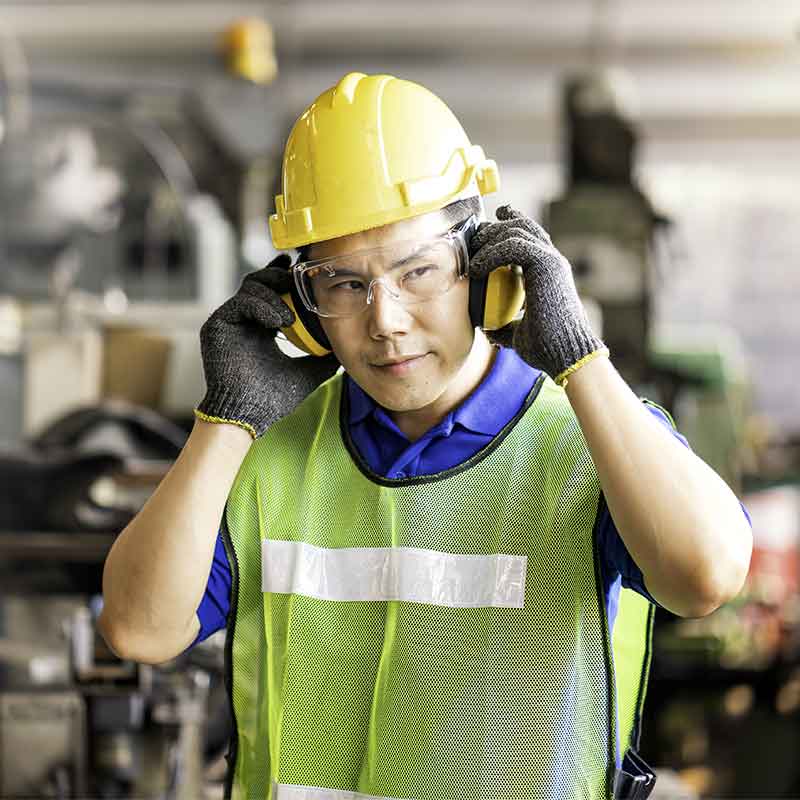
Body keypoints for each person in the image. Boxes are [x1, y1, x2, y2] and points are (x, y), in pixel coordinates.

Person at [98, 72, 752, 800]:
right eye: (344, 285)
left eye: (419, 272)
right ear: (303, 307)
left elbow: (705, 579)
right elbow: (138, 631)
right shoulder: (265, 458)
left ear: (484, 270)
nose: (386, 319)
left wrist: (581, 359)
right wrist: (225, 422)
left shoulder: (590, 443)